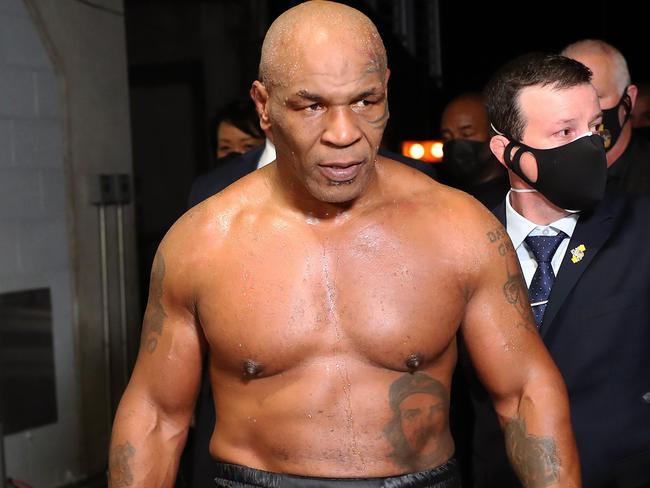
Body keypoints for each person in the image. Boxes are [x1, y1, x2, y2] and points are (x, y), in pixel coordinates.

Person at [108, 2, 580, 487]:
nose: (344, 133)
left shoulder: (458, 228)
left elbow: (524, 391)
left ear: (387, 92)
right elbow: (157, 416)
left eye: (364, 101)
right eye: (311, 105)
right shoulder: (202, 241)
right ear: (263, 106)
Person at [466, 51, 650, 488]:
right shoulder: (464, 238)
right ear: (506, 151)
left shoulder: (642, 229)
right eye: (564, 131)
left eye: (594, 128)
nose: (589, 145)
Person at [560, 39, 650, 196]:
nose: (580, 110)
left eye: (596, 97)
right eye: (567, 98)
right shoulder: (544, 175)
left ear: (629, 98)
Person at [439, 92, 509, 209]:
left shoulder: (510, 202)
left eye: (467, 134)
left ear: (494, 135)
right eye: (447, 137)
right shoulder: (445, 197)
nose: (456, 143)